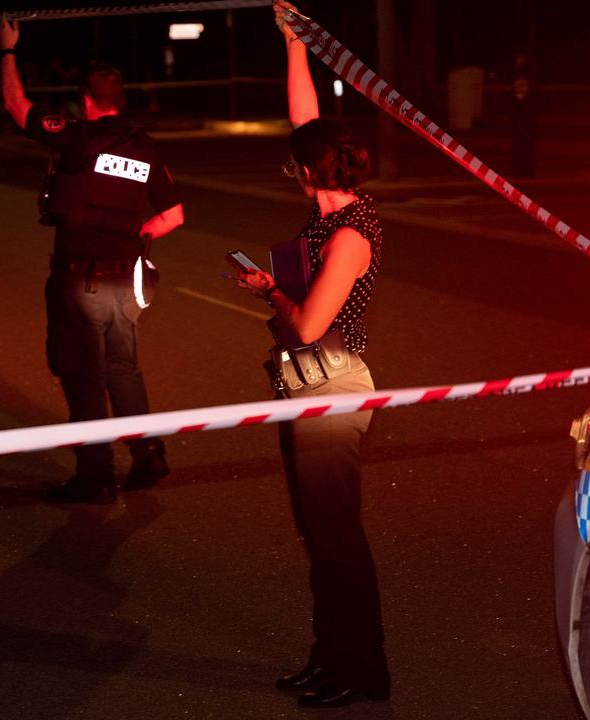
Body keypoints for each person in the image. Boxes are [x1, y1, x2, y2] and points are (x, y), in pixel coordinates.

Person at [231, 1, 390, 708]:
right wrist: (292, 43)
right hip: (307, 385)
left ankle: (363, 669)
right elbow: (306, 121)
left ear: (308, 172)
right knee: (317, 535)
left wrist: (268, 290)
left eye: (293, 163)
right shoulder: (329, 207)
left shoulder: (351, 231)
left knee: (337, 540)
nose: (288, 167)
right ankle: (332, 657)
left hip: (331, 383)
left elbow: (308, 325)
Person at [0, 18, 185, 503]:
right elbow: (175, 215)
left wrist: (7, 51)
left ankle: (95, 474)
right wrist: (134, 234)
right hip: (126, 278)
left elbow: (18, 108)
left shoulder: (79, 138)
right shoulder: (144, 146)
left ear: (85, 98)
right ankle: (148, 453)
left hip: (81, 279)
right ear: (119, 99)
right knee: (123, 370)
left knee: (82, 376)